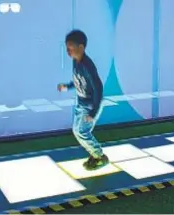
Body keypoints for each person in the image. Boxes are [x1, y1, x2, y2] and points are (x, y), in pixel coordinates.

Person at [57, 30, 109, 171]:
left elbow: (98, 88)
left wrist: (93, 112)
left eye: (70, 48)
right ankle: (95, 155)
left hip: (90, 104)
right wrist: (67, 87)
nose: (68, 51)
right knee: (77, 131)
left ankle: (100, 156)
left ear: (81, 47)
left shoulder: (88, 66)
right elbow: (79, 81)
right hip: (81, 103)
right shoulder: (76, 62)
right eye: (67, 48)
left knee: (82, 132)